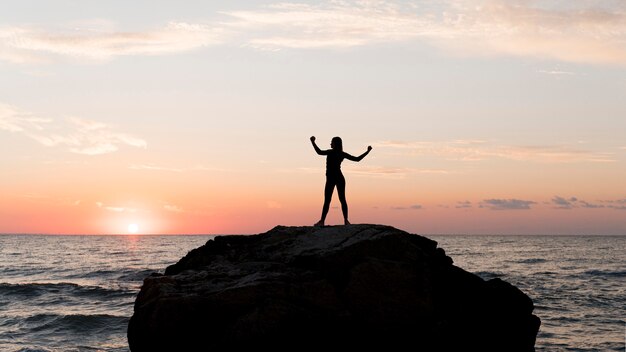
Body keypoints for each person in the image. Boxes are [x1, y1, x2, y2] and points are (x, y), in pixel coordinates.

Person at [310, 136, 372, 226]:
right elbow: (357, 159)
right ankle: (345, 221)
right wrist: (368, 151)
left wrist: (313, 142)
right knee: (341, 200)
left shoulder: (331, 152)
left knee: (329, 200)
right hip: (339, 178)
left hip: (332, 178)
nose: (330, 143)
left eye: (331, 142)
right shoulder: (341, 153)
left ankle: (323, 221)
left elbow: (319, 152)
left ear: (335, 143)